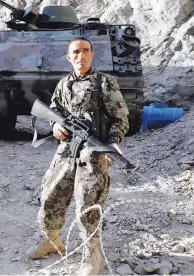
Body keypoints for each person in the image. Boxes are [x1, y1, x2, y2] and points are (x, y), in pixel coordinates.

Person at [26, 37, 129, 275]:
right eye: (76, 52)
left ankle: (91, 254)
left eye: (86, 51)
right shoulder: (63, 84)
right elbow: (55, 110)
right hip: (67, 149)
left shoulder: (105, 82)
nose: (81, 55)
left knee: (88, 202)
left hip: (93, 151)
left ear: (92, 55)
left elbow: (120, 117)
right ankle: (52, 242)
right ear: (69, 57)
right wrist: (55, 127)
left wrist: (113, 142)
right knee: (51, 196)